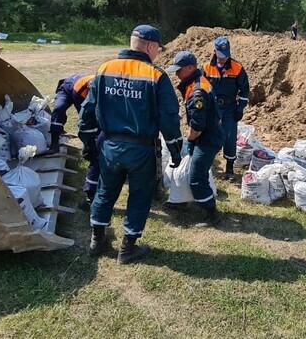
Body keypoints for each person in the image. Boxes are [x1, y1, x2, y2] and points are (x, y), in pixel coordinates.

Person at [79, 24, 183, 264]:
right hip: (141, 149)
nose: (157, 53)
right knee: (140, 196)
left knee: (105, 191)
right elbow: (168, 117)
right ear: (149, 46)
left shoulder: (105, 69)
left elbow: (88, 111)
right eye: (157, 48)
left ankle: (96, 239)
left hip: (110, 147)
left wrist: (88, 142)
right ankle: (127, 248)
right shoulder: (156, 76)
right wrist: (176, 150)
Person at [165, 51, 224, 227]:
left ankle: (211, 213)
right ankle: (182, 200)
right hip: (208, 136)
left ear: (191, 68)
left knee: (196, 176)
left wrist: (190, 141)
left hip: (207, 140)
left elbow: (197, 126)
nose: (176, 74)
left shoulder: (197, 92)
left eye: (179, 70)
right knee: (194, 171)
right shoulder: (196, 84)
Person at [202, 36, 250, 182]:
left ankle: (229, 167)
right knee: (209, 135)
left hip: (229, 108)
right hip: (212, 107)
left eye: (226, 55)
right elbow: (201, 88)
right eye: (221, 55)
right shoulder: (206, 68)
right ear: (214, 51)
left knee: (229, 137)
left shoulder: (237, 68)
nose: (223, 59)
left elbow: (245, 90)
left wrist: (240, 108)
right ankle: (207, 163)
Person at [49, 73, 97, 211]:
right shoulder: (81, 89)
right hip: (68, 88)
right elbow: (85, 118)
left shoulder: (100, 86)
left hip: (81, 86)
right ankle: (54, 143)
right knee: (59, 109)